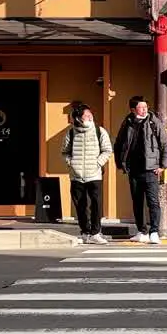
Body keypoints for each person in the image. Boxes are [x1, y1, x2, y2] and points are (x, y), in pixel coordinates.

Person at [114, 95, 167, 244]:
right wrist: (120, 163)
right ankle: (142, 231)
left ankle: (154, 231)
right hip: (133, 169)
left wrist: (163, 165)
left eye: (146, 106)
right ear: (133, 110)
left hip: (151, 169)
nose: (144, 109)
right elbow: (119, 143)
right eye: (141, 107)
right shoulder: (127, 123)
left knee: (153, 202)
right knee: (137, 201)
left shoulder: (153, 122)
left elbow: (166, 144)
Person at [61, 102, 113, 245]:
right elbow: (65, 152)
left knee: (96, 204)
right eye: (86, 115)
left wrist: (98, 163)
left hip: (94, 174)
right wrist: (71, 163)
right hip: (76, 176)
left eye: (90, 114)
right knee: (80, 206)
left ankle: (96, 233)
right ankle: (85, 232)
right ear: (78, 118)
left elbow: (107, 150)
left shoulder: (99, 131)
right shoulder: (71, 132)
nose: (90, 117)